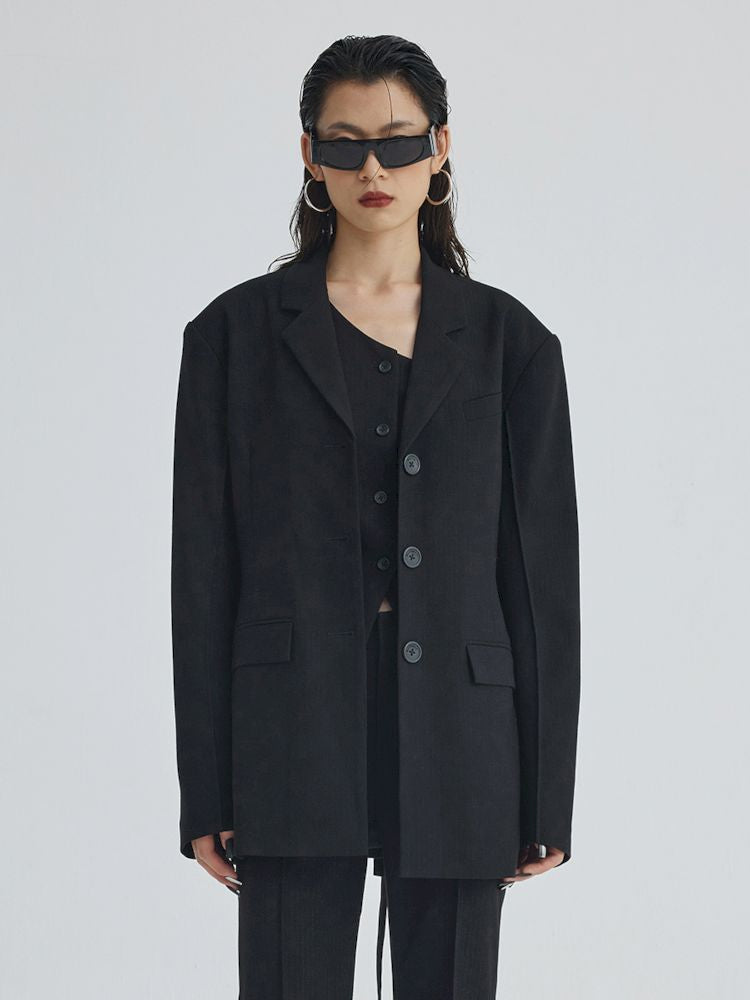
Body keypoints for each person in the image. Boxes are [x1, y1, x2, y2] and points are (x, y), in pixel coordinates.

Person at [170, 33, 580, 1000]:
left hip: (463, 736)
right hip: (289, 727)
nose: (372, 169)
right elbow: (203, 576)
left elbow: (541, 584)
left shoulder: (513, 344)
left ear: (441, 148)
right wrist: (206, 789)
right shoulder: (232, 337)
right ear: (308, 156)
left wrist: (545, 793)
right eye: (344, 144)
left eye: (397, 142)